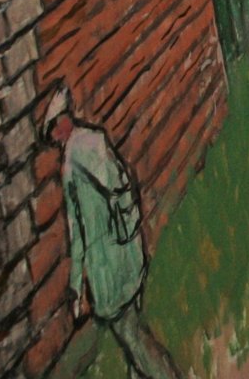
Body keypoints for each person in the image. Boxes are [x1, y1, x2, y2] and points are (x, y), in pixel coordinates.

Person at [43, 85, 183, 379]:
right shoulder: (96, 139)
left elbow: (77, 233)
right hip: (129, 252)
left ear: (61, 123)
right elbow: (122, 189)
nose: (54, 139)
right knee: (133, 337)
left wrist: (76, 287)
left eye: (52, 131)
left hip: (107, 269)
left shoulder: (71, 164)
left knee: (134, 340)